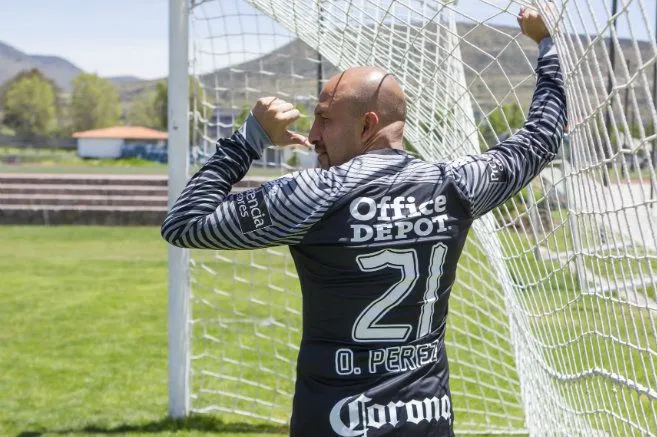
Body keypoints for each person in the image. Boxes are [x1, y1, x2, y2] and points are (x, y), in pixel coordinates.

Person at [162, 4, 565, 436]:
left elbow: (184, 222)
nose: (313, 133)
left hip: (332, 424)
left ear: (368, 123)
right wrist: (547, 45)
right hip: (424, 425)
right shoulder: (456, 185)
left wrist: (250, 139)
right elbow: (540, 137)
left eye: (324, 118)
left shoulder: (312, 194)